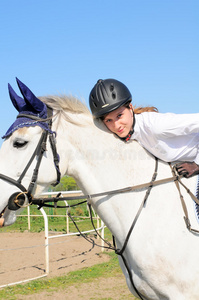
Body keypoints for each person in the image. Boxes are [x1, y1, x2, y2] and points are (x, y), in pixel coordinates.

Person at [89, 78, 199, 178]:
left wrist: (197, 164)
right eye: (109, 120)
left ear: (130, 108)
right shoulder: (131, 134)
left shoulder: (157, 126)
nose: (117, 125)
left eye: (119, 115)